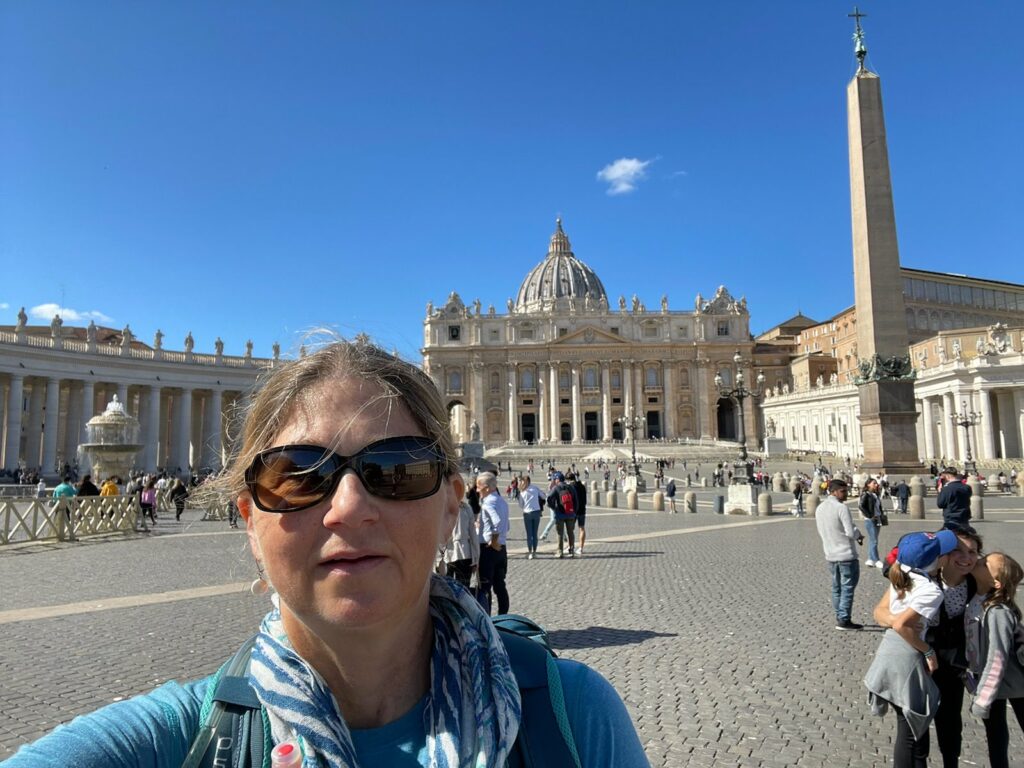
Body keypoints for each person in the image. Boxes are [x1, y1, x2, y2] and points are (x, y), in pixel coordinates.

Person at [5, 339, 649, 767]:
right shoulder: (180, 741)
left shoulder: (571, 718)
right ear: (249, 521)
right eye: (297, 474)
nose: (348, 507)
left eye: (395, 469)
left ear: (453, 503)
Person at [875, 528, 983, 768]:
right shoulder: (922, 580)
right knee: (915, 730)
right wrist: (902, 625)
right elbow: (880, 612)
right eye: (958, 550)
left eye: (973, 552)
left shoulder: (976, 583)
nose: (966, 557)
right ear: (943, 556)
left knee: (950, 722)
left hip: (955, 663)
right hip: (921, 660)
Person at [965, 552, 1024, 768]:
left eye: (984, 563)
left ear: (996, 582)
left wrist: (983, 698)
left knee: (998, 734)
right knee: (996, 737)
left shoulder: (998, 611)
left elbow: (997, 657)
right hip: (992, 683)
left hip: (1015, 683)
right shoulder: (975, 600)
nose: (978, 560)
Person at [814, 478, 864, 630]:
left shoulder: (820, 508)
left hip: (830, 553)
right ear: (834, 491)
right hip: (846, 555)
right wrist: (859, 535)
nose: (846, 494)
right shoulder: (841, 508)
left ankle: (839, 615)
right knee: (848, 588)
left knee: (837, 588)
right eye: (843, 491)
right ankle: (844, 619)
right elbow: (850, 531)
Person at [475, 471, 510, 614]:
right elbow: (506, 526)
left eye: (479, 487)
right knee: (500, 585)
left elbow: (497, 522)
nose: (477, 490)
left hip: (489, 549)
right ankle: (503, 615)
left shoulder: (487, 503)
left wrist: (493, 539)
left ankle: (487, 618)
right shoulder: (502, 501)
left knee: (484, 587)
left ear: (488, 488)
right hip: (502, 549)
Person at [442, 499, 479, 588]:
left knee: (448, 588)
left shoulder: (443, 508)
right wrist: (476, 558)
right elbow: (473, 535)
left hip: (449, 553)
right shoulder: (467, 508)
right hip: (465, 552)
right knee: (463, 588)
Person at [546, 472, 577, 559]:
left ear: (558, 479)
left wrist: (553, 507)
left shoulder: (556, 488)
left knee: (560, 533)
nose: (555, 481)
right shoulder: (570, 487)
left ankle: (560, 552)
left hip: (560, 514)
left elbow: (548, 499)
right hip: (570, 513)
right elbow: (576, 500)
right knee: (570, 532)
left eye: (555, 479)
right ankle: (571, 550)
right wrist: (574, 511)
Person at [516, 474, 544, 559]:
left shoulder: (522, 492)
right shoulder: (535, 488)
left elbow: (521, 505)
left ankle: (530, 552)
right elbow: (543, 496)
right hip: (536, 512)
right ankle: (535, 552)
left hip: (527, 513)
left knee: (529, 534)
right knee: (535, 533)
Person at [859, 477, 884, 568]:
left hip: (877, 518)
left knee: (873, 540)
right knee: (874, 540)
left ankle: (870, 559)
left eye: (876, 483)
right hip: (870, 520)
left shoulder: (875, 494)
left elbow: (878, 507)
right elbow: (861, 506)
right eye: (874, 483)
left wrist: (881, 514)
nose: (876, 485)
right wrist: (869, 516)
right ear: (868, 484)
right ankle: (876, 560)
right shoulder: (866, 494)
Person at [567, 472, 588, 555]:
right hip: (582, 509)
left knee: (570, 529)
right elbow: (585, 499)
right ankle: (581, 548)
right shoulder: (582, 486)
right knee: (582, 528)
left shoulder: (571, 487)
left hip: (574, 510)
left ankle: (570, 546)